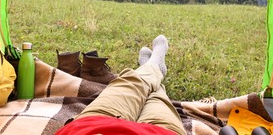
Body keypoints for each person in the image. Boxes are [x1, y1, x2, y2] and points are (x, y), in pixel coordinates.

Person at [55, 35, 187, 135]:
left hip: (94, 126)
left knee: (129, 85)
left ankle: (152, 67)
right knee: (153, 94)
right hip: (159, 132)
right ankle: (153, 67)